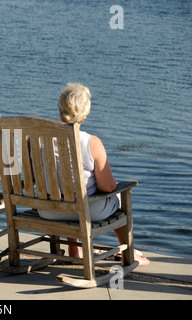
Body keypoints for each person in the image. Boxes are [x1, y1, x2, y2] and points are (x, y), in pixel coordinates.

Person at [38, 83, 150, 267]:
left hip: (49, 210)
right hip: (88, 212)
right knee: (119, 198)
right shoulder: (92, 142)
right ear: (85, 112)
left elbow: (34, 173)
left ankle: (74, 250)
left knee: (67, 192)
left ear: (60, 108)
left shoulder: (38, 137)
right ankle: (128, 253)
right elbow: (107, 187)